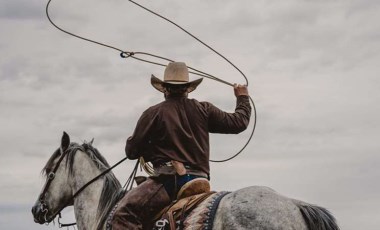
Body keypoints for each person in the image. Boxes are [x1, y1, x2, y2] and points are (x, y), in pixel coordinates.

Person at [110, 62, 251, 230]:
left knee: (123, 213)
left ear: (164, 89)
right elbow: (239, 122)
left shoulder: (153, 113)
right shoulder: (204, 109)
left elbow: (132, 152)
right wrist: (242, 97)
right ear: (187, 88)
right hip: (200, 179)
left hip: (169, 181)